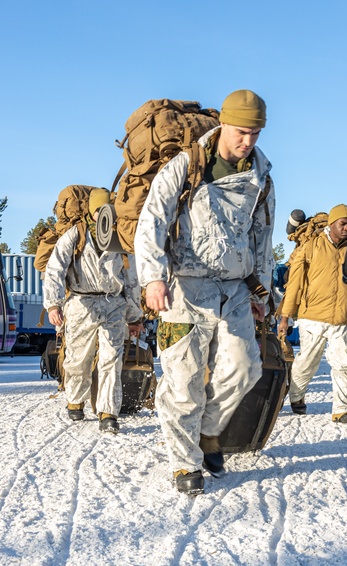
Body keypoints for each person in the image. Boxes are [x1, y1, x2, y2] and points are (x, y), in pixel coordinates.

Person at [135, 89, 275, 495]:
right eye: (240, 132)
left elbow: (261, 238)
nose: (247, 141)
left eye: (255, 133)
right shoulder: (187, 166)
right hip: (186, 289)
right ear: (223, 125)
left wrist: (262, 293)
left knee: (246, 368)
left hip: (234, 288)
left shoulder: (262, 177)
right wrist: (152, 278)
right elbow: (152, 222)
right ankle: (184, 463)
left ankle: (209, 432)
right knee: (184, 380)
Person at [278, 204, 347, 424]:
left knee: (346, 363)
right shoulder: (311, 247)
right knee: (307, 363)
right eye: (343, 223)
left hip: (343, 318)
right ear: (332, 224)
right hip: (312, 317)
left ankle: (342, 410)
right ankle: (296, 395)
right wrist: (285, 316)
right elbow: (295, 284)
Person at [44, 188, 143, 434]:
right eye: (99, 210)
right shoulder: (74, 236)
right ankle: (75, 400)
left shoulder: (121, 239)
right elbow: (55, 269)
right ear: (92, 212)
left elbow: (131, 280)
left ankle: (108, 412)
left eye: (108, 209)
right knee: (78, 359)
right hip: (81, 304)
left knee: (112, 360)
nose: (103, 214)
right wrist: (53, 304)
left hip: (113, 305)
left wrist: (134, 316)